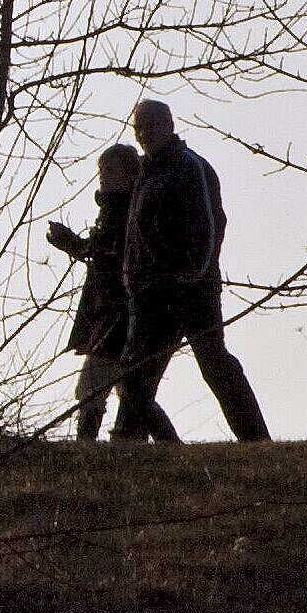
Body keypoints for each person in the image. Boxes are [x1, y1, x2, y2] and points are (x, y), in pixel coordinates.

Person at [117, 97, 270, 443]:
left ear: (169, 125)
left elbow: (210, 225)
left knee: (215, 365)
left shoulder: (190, 167)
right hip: (148, 294)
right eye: (138, 128)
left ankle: (256, 440)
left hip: (191, 292)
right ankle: (139, 445)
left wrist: (191, 274)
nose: (144, 134)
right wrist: (132, 278)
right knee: (134, 376)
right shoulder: (145, 173)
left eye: (151, 126)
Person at [42, 144, 177, 441]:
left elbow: (117, 260)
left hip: (119, 314)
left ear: (130, 175)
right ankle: (162, 444)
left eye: (111, 171)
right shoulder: (116, 209)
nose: (104, 178)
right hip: (110, 312)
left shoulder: (130, 211)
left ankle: (87, 446)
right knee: (130, 391)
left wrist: (77, 246)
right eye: (102, 171)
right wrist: (77, 246)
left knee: (97, 388)